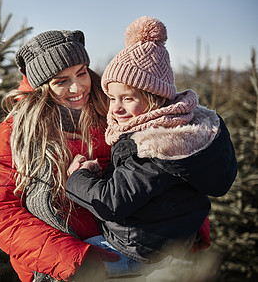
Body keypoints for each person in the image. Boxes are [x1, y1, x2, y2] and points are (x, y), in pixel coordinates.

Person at [65, 16, 238, 277]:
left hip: (134, 248)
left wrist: (77, 177)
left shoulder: (155, 146)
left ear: (154, 98)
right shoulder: (176, 128)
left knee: (67, 268)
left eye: (128, 98)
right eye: (112, 97)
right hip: (161, 243)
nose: (116, 107)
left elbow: (111, 202)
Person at [0, 30, 120, 282]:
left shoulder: (113, 113)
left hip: (125, 254)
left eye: (81, 72)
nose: (77, 87)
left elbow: (153, 164)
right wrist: (73, 259)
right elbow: (2, 214)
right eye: (61, 80)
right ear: (42, 87)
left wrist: (185, 225)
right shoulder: (15, 134)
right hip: (63, 268)